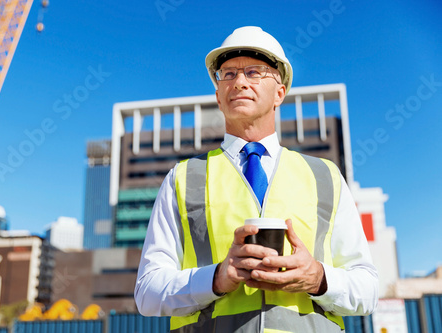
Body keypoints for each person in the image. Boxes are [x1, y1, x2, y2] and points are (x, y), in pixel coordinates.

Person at [134, 26, 378, 332]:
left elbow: (367, 289)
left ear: (280, 92)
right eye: (228, 74)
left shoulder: (325, 176)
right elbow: (147, 293)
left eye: (254, 72)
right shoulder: (182, 178)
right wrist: (216, 278)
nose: (239, 82)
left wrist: (317, 277)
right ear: (218, 97)